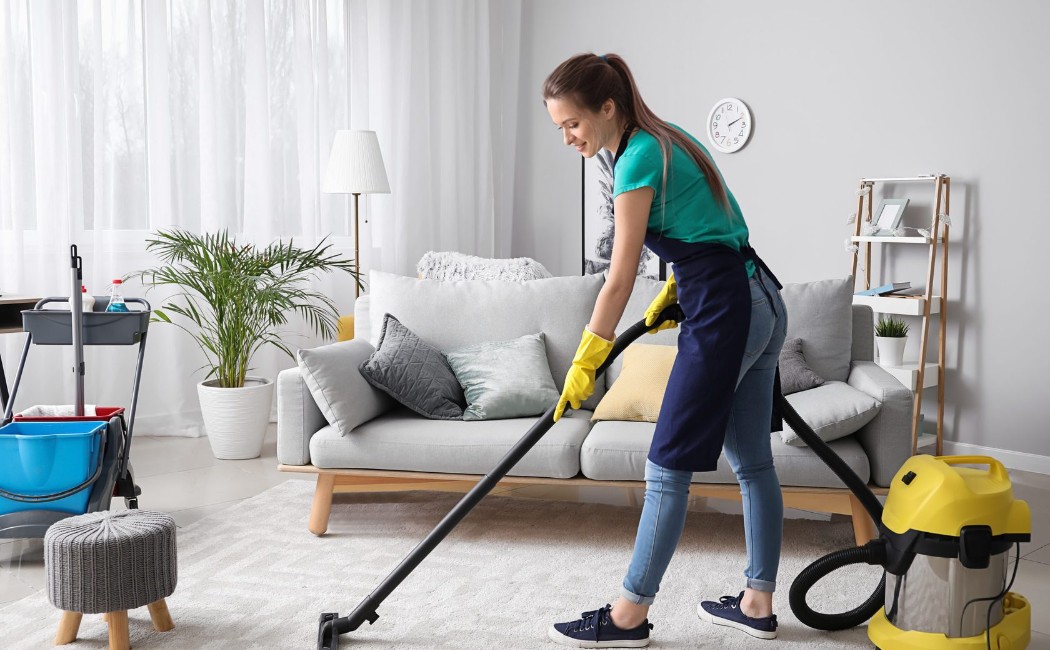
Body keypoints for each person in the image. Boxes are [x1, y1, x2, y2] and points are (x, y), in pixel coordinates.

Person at [544, 52, 788, 647]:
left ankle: (628, 616)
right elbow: (718, 225)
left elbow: (619, 277)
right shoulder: (667, 135)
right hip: (761, 296)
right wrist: (680, 282)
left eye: (573, 123)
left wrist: (586, 359)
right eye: (559, 128)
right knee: (752, 462)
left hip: (728, 312)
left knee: (665, 467)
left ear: (607, 108)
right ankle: (757, 601)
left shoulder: (636, 159)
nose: (569, 137)